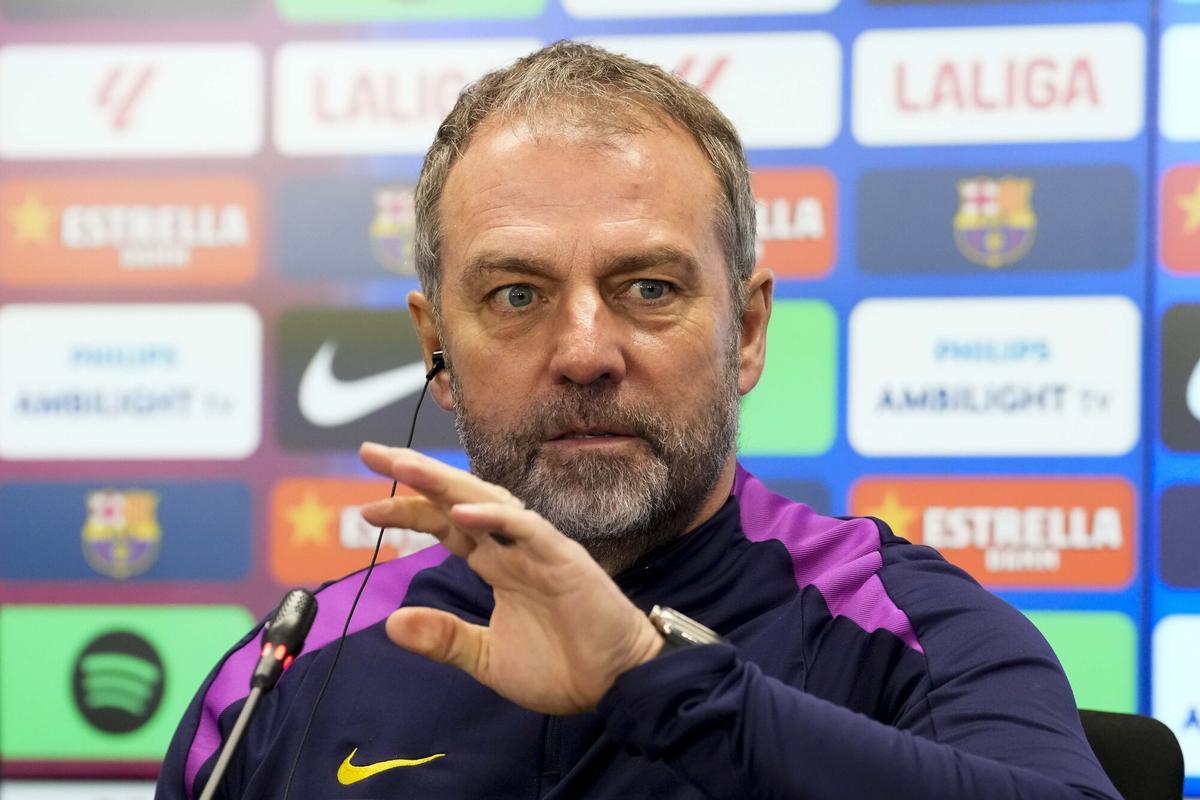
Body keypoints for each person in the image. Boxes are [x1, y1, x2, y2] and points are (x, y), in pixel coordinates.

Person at [157, 41, 1120, 799]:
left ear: (745, 331)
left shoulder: (894, 625)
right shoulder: (285, 671)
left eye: (648, 287)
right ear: (435, 349)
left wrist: (652, 677)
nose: (584, 351)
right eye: (517, 295)